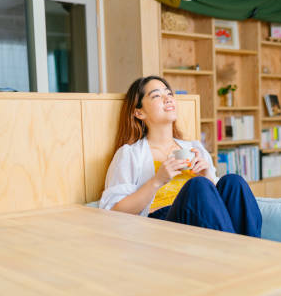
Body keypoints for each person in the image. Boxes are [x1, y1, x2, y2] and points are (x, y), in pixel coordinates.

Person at [99, 76, 262, 237]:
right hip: (161, 225)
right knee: (197, 186)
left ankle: (251, 251)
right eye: (156, 95)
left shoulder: (194, 147)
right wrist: (157, 180)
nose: (167, 98)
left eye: (169, 94)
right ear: (139, 112)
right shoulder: (130, 154)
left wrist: (207, 177)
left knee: (233, 182)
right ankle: (238, 255)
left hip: (200, 223)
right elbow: (113, 211)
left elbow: (215, 206)